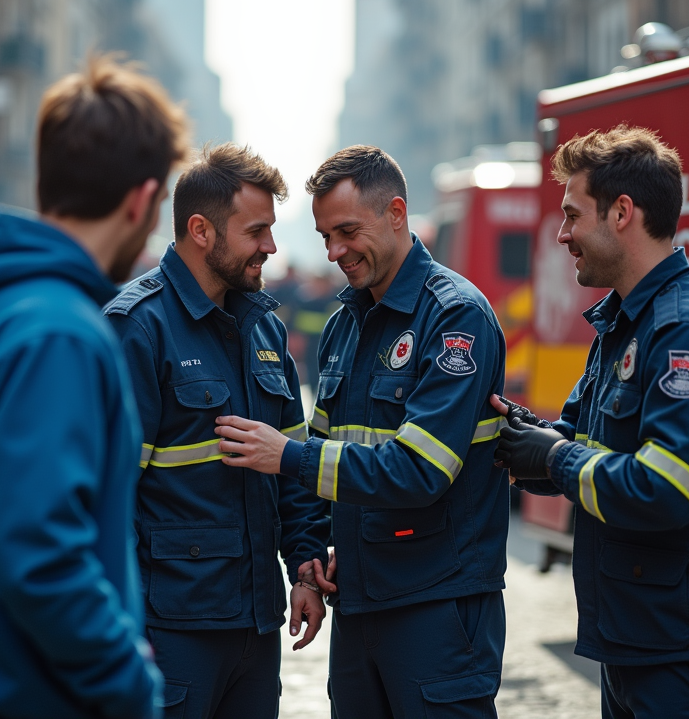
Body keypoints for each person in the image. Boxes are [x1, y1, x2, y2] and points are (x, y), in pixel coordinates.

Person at [0, 55, 187, 719]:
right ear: (142, 198)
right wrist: (133, 691)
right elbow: (41, 557)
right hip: (24, 697)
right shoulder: (59, 333)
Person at [215, 145, 510, 718]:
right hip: (360, 603)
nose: (335, 251)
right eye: (326, 236)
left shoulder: (454, 317)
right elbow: (325, 466)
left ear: (396, 213)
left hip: (437, 608)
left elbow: (421, 469)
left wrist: (286, 456)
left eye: (347, 231)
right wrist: (306, 562)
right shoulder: (344, 324)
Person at [491, 126, 689, 718]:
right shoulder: (626, 322)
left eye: (571, 215)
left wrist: (555, 458)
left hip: (684, 653)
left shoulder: (684, 331)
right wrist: (518, 437)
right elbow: (582, 445)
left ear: (622, 212)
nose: (562, 234)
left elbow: (665, 490)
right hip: (640, 640)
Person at [104, 143, 329, 719]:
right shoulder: (137, 329)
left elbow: (292, 464)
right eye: (256, 231)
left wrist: (304, 565)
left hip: (255, 628)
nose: (271, 247)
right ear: (200, 230)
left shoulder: (264, 329)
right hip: (170, 632)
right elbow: (106, 497)